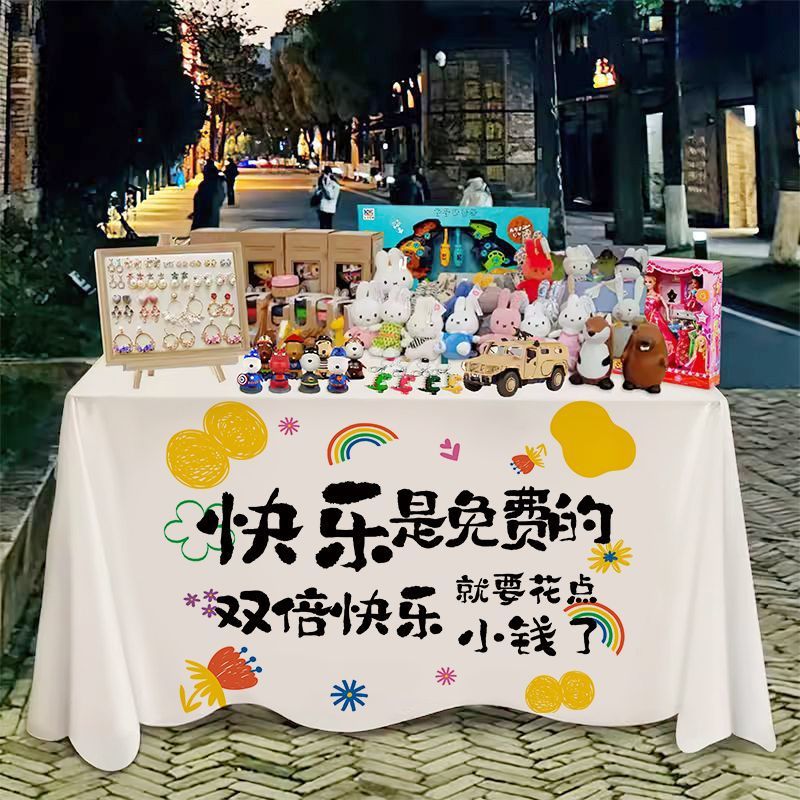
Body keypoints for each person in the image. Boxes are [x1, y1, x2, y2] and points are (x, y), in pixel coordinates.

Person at [190, 161, 225, 229]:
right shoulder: (216, 184)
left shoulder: (207, 185)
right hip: (210, 215)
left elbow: (200, 200)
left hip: (204, 216)